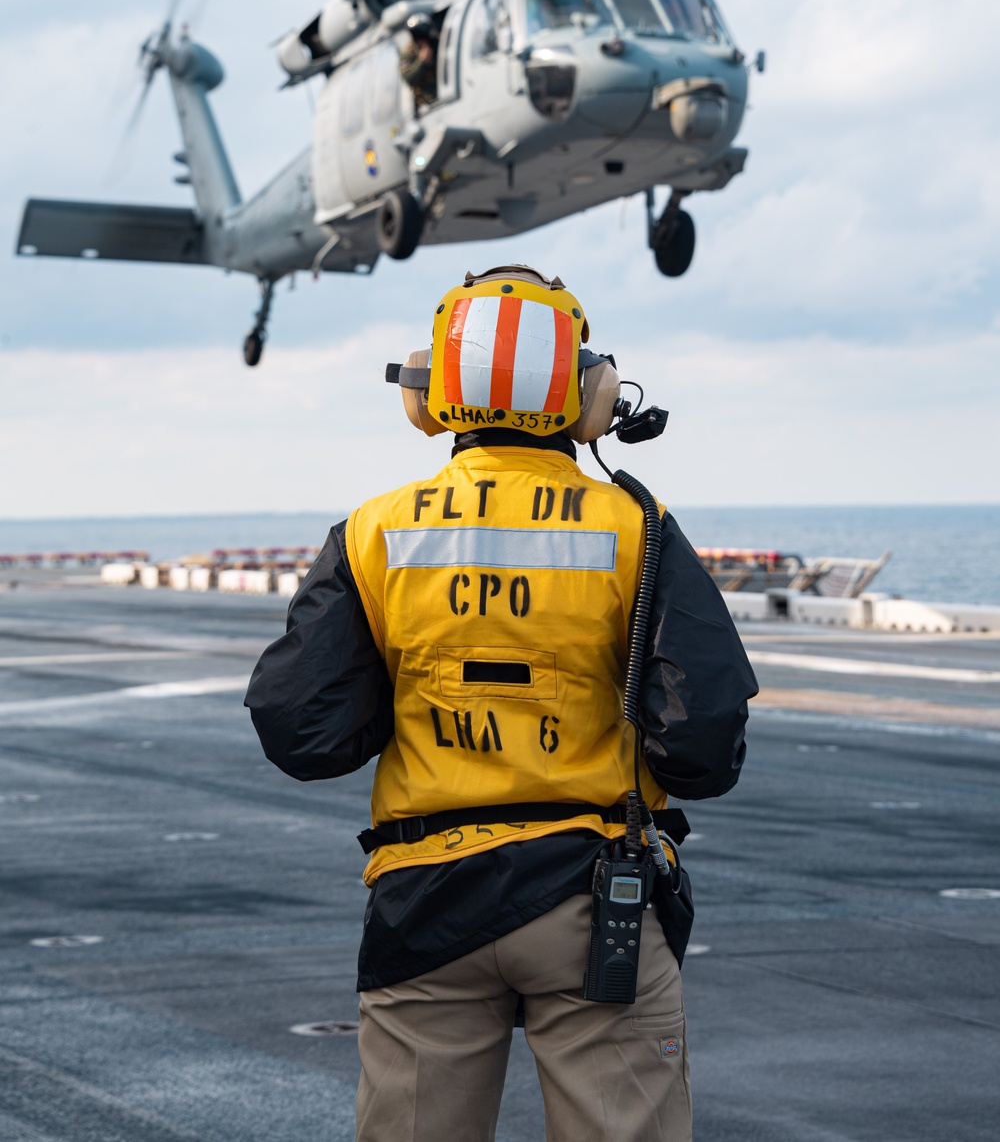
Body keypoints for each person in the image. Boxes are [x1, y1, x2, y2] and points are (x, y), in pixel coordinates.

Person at [245, 265, 758, 1142]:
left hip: (424, 897)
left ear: (430, 394)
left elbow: (302, 732)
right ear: (591, 397)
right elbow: (701, 748)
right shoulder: (634, 525)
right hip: (597, 899)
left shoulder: (375, 531)